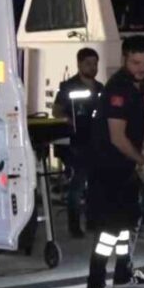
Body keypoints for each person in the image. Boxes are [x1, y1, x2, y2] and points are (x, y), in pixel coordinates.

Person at [84, 36, 144, 288]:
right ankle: (95, 284)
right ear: (124, 60)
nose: (142, 68)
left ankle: (123, 272)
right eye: (136, 62)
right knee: (109, 228)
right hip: (109, 168)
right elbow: (117, 137)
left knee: (130, 221)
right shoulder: (118, 89)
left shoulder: (140, 86)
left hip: (126, 167)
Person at [51, 47, 103, 238]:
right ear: (79, 64)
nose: (93, 67)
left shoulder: (100, 88)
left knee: (96, 184)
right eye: (88, 63)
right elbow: (56, 111)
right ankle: (74, 226)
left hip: (95, 141)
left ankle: (92, 221)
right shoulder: (68, 87)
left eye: (95, 63)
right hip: (76, 142)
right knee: (78, 184)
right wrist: (69, 120)